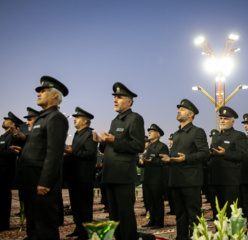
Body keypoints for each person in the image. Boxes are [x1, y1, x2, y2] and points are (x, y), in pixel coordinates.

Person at [19, 76, 69, 239]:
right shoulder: (42, 118)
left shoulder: (56, 118)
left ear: (55, 95)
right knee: (33, 227)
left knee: (45, 229)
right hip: (31, 181)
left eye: (43, 91)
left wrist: (45, 182)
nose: (38, 94)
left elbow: (54, 153)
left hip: (42, 184)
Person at [93, 82, 145, 240]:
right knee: (114, 217)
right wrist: (102, 142)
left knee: (125, 216)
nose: (115, 100)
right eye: (114, 97)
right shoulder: (115, 121)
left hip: (123, 176)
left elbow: (138, 145)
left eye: (119, 97)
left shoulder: (135, 118)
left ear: (129, 102)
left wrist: (114, 140)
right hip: (110, 174)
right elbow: (112, 147)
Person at [160, 99, 209, 240]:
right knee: (180, 214)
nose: (178, 111)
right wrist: (169, 159)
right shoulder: (176, 134)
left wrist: (186, 158)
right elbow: (176, 155)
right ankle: (181, 237)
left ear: (191, 114)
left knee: (194, 215)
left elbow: (204, 153)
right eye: (178, 109)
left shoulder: (197, 132)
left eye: (182, 109)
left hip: (190, 180)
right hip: (176, 179)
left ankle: (196, 237)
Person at [64, 107, 98, 240]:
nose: (74, 119)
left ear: (84, 122)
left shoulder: (89, 135)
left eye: (77, 118)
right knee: (76, 205)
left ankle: (86, 233)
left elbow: (89, 154)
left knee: (84, 206)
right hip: (75, 175)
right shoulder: (78, 134)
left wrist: (72, 152)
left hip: (84, 176)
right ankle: (78, 228)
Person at [209, 106, 247, 217]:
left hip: (229, 181)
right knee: (217, 212)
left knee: (231, 211)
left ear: (233, 121)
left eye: (225, 118)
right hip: (215, 179)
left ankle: (233, 234)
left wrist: (226, 153)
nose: (222, 121)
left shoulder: (238, 135)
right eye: (221, 118)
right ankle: (220, 234)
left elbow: (243, 155)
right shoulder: (216, 136)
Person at [141, 124, 169, 229]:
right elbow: (145, 161)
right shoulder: (149, 147)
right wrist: (141, 162)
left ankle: (158, 222)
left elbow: (164, 162)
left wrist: (153, 161)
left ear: (157, 134)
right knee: (149, 201)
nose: (149, 132)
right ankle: (152, 221)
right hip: (147, 178)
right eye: (149, 131)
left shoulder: (162, 146)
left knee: (157, 201)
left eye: (151, 131)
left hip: (157, 179)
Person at [0, 112, 23, 231]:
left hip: (6, 172)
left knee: (4, 199)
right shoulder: (3, 137)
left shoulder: (12, 137)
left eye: (7, 120)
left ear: (12, 124)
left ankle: (3, 224)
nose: (4, 121)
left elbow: (12, 153)